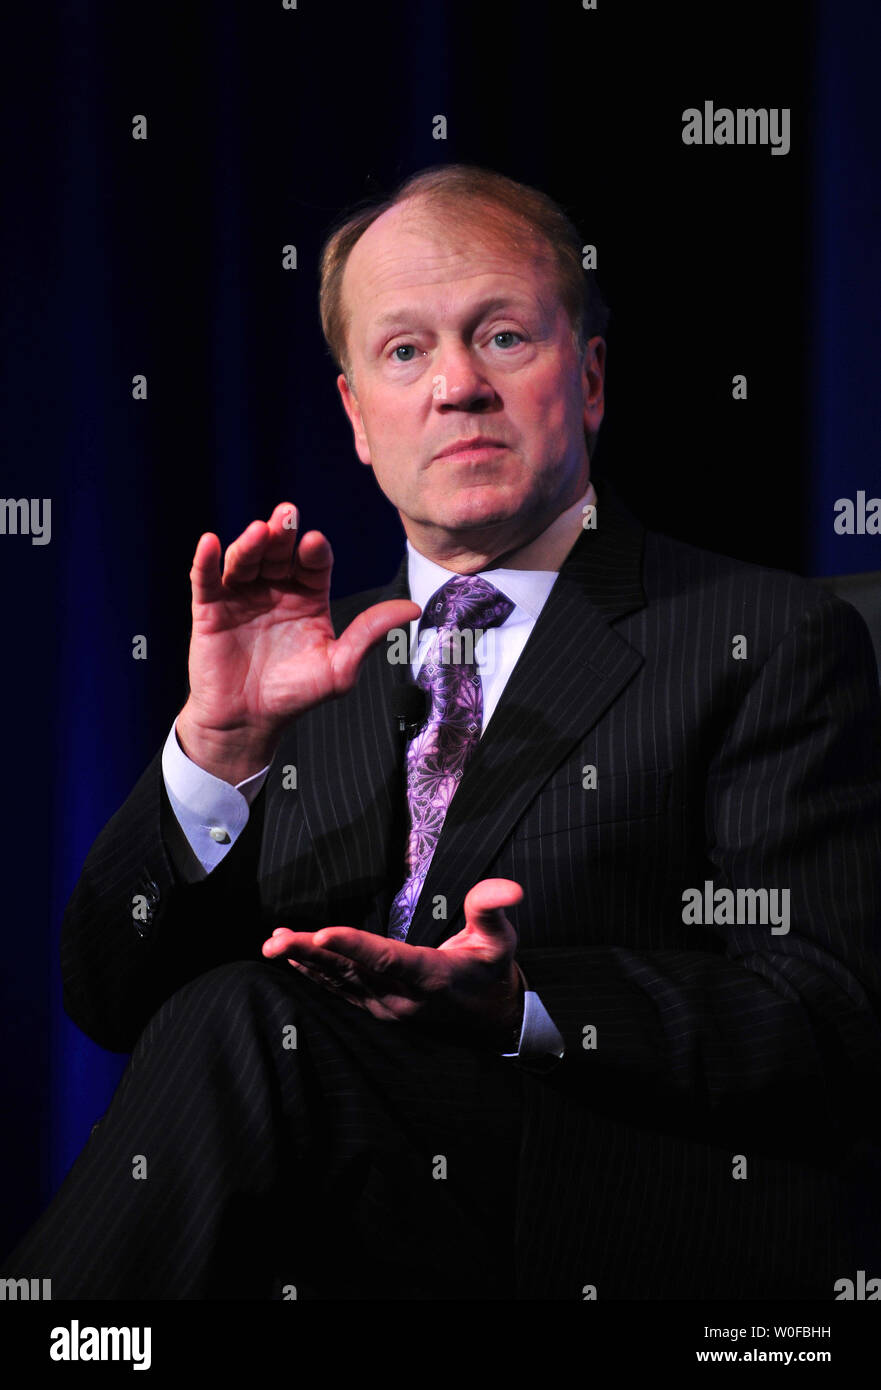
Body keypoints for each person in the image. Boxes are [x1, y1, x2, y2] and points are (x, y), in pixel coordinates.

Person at [4, 164, 881, 1301]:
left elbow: (830, 1013)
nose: (457, 385)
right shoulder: (313, 667)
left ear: (592, 376)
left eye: (503, 336)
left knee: (252, 1019)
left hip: (608, 1220)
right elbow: (112, 999)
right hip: (332, 1242)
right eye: (405, 351)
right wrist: (219, 746)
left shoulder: (762, 636)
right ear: (356, 417)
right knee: (236, 1029)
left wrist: (520, 1004)